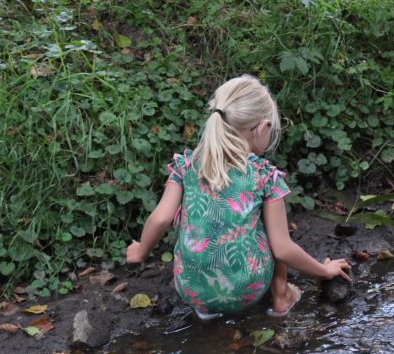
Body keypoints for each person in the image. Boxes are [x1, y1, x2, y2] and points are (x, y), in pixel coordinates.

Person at [127, 75, 351, 319]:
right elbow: (283, 249)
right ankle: (281, 296)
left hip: (191, 291)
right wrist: (323, 270)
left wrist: (139, 252)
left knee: (198, 217)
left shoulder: (187, 165)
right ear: (262, 127)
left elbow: (160, 219)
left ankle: (207, 310)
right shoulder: (264, 177)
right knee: (272, 227)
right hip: (247, 291)